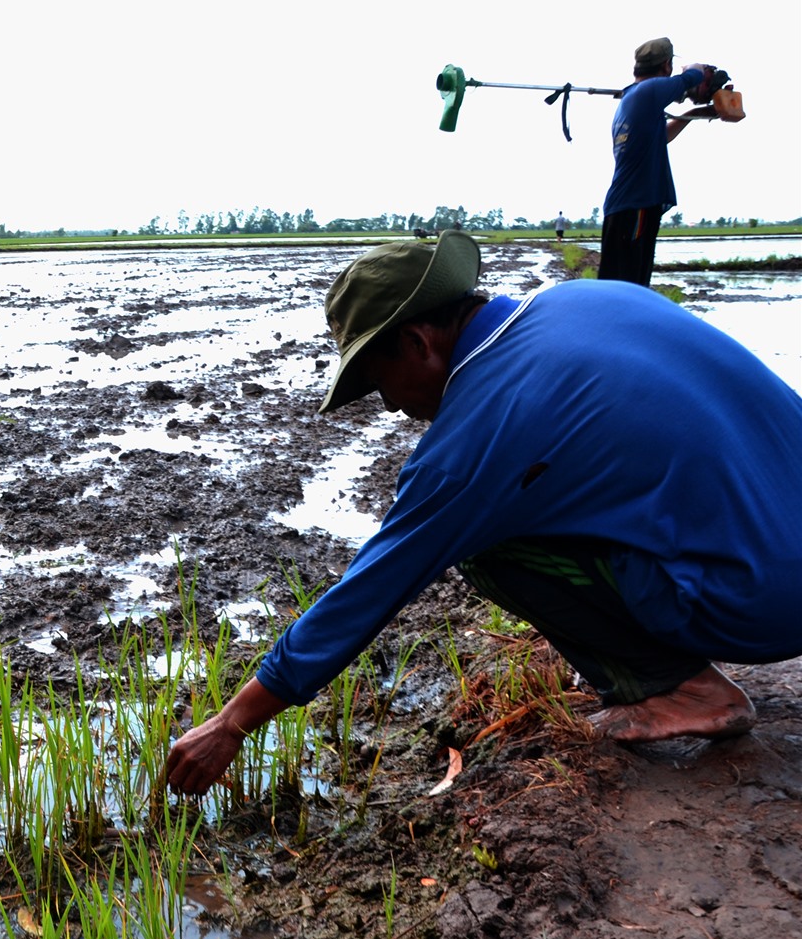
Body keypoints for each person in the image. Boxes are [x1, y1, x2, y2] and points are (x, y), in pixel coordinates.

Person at [163, 232, 802, 797]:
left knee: (484, 545)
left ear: (417, 342)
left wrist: (231, 723)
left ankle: (682, 692)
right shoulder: (586, 299)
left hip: (769, 599)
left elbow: (368, 592)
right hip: (776, 536)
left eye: (378, 381)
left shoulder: (477, 437)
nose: (387, 406)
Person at [599, 37, 728, 288]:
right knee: (629, 289)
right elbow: (692, 75)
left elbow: (660, 138)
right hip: (636, 205)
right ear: (666, 65)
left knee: (622, 286)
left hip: (627, 206)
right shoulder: (650, 91)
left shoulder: (634, 97)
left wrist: (692, 114)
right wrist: (697, 69)